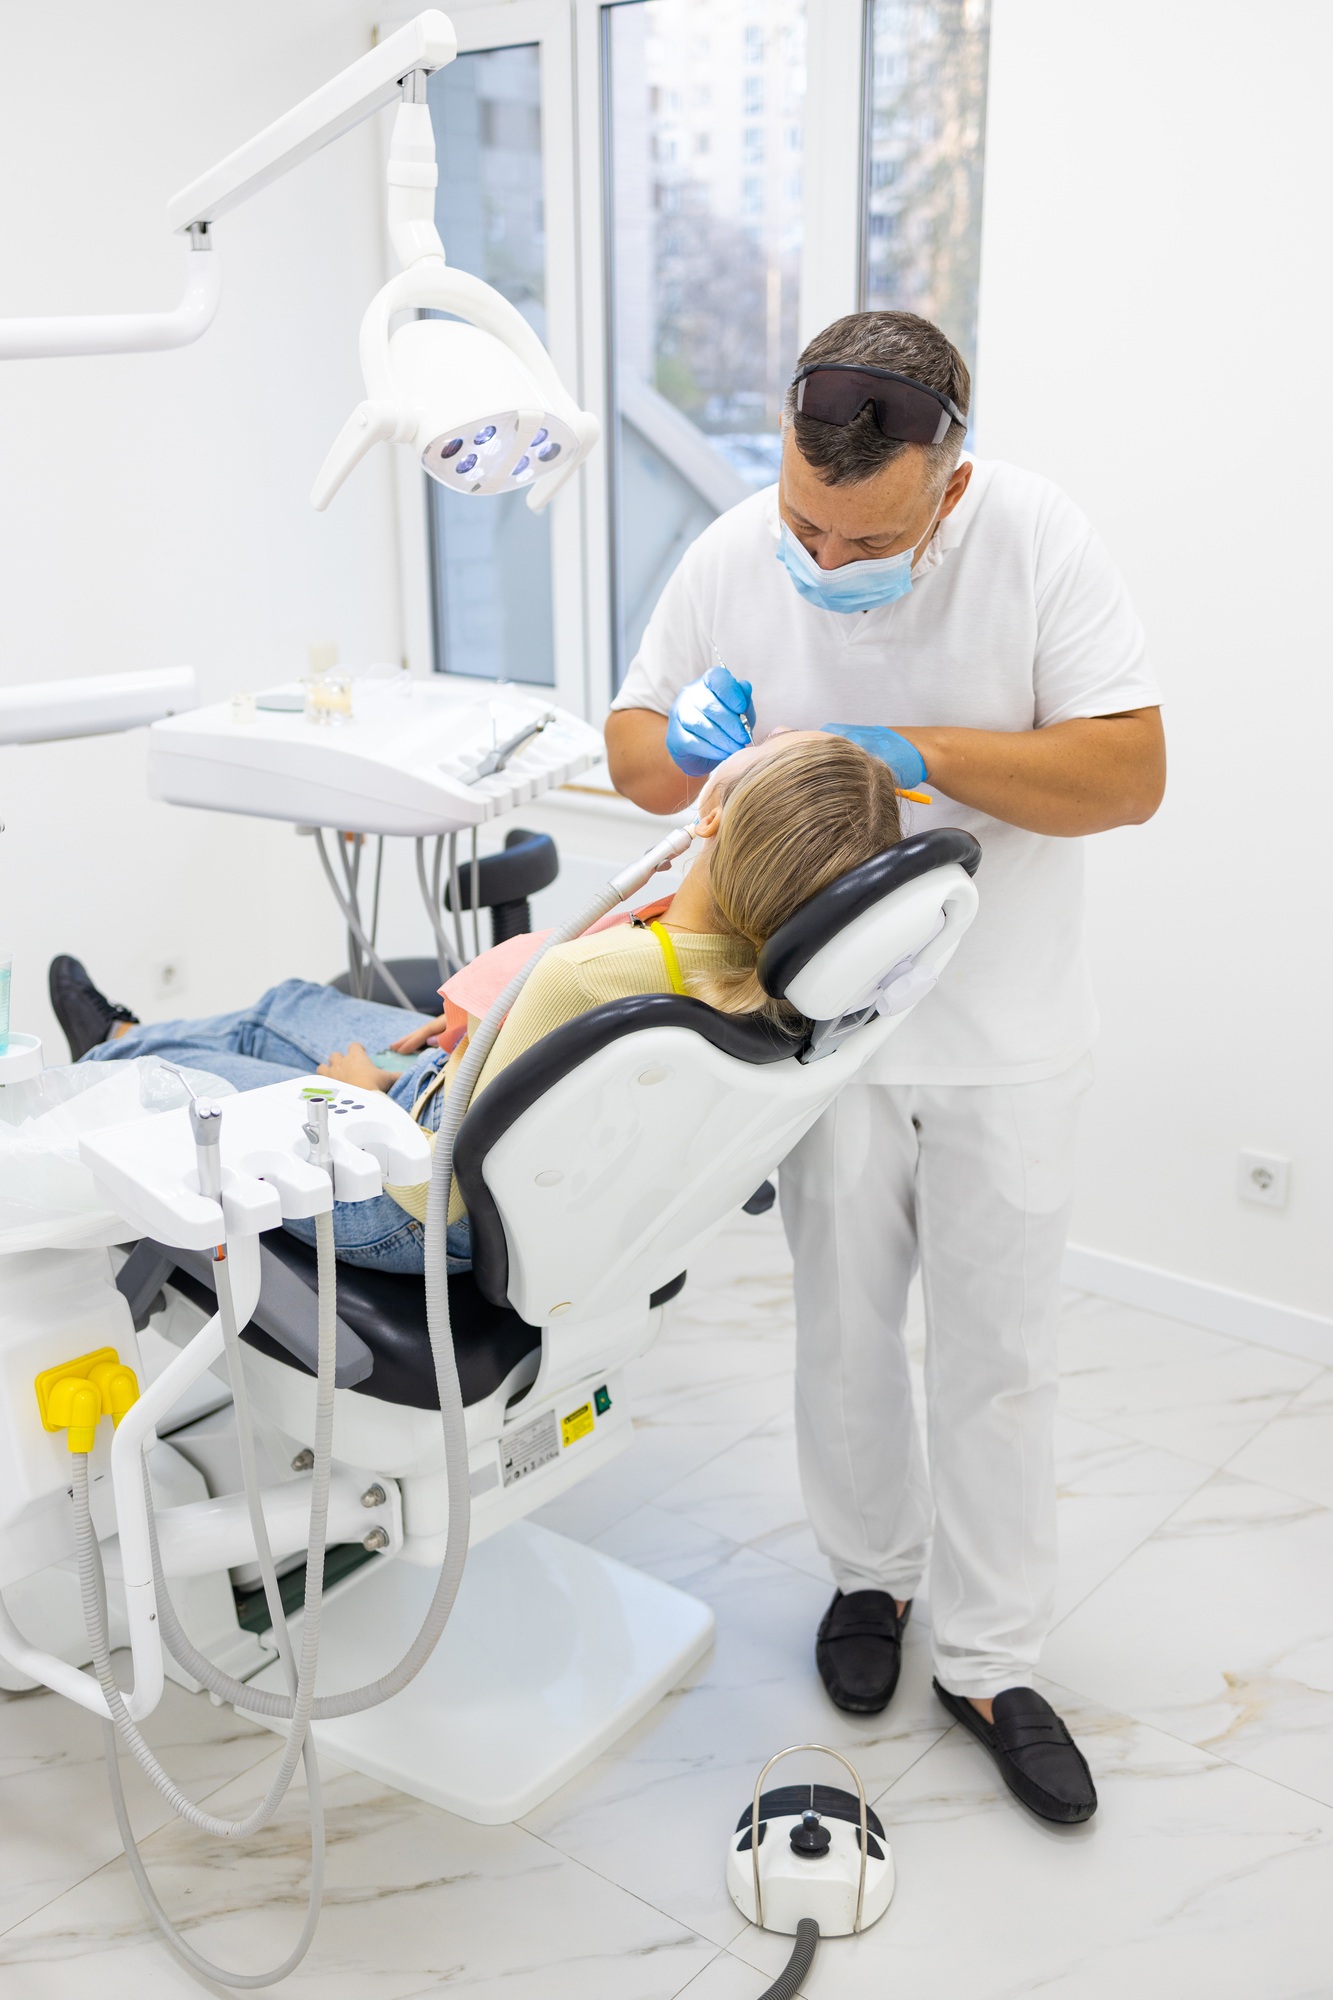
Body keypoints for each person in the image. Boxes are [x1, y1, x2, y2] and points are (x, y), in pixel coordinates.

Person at [605, 309, 1166, 1828]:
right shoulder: (740, 547)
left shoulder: (1039, 538)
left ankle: (991, 1660)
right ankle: (872, 1582)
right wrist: (681, 739)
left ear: (950, 482)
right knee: (843, 1338)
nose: (823, 563)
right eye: (804, 523)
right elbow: (635, 750)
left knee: (997, 1360)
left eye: (862, 540)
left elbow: (1129, 773)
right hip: (824, 1038)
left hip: (1008, 1040)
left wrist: (916, 749)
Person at [50, 729, 901, 1274]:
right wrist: (475, 1026)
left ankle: (115, 1053)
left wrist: (359, 1099)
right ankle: (125, 1031)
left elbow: (436, 1184)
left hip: (412, 1201)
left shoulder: (597, 983)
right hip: (486, 1129)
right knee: (288, 1004)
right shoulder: (767, 984)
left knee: (174, 1084)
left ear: (715, 816)